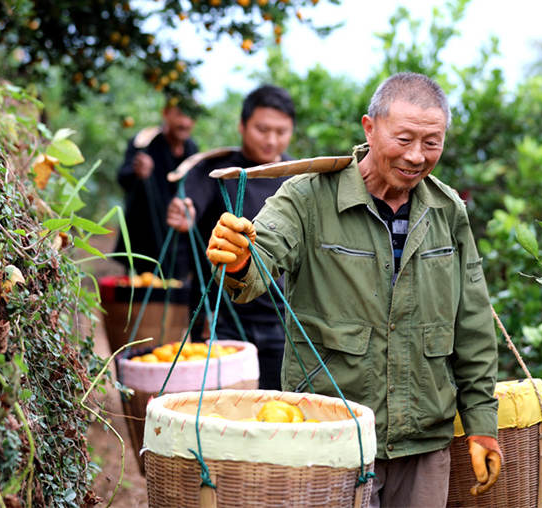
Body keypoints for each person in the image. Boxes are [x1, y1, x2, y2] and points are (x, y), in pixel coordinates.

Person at [204, 73, 502, 507]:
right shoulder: (307, 197)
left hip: (423, 441)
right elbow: (258, 262)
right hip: (332, 437)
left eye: (432, 143)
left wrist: (482, 425)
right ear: (369, 127)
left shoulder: (446, 209)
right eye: (404, 139)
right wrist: (239, 260)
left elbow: (472, 321)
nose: (417, 156)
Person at [167, 85, 295, 390]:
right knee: (224, 414)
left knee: (275, 410)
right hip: (222, 318)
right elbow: (190, 205)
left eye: (281, 131)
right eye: (262, 129)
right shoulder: (219, 172)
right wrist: (184, 213)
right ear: (242, 125)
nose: (271, 140)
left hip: (283, 321)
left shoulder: (297, 179)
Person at [114, 103, 198, 279]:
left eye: (189, 117)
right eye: (179, 115)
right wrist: (138, 172)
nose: (185, 122)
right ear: (166, 113)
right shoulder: (145, 143)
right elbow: (123, 177)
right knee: (141, 289)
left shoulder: (192, 149)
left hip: (176, 239)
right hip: (144, 238)